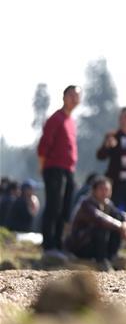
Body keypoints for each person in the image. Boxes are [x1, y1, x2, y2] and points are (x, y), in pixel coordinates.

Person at [36, 85, 81, 259]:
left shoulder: (71, 121)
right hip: (54, 168)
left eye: (77, 96)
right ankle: (49, 246)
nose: (74, 99)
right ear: (64, 97)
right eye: (71, 95)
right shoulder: (56, 119)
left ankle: (59, 244)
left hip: (68, 169)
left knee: (64, 209)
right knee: (53, 206)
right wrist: (42, 166)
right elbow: (44, 145)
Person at [96, 106, 126, 252]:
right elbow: (100, 156)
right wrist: (107, 146)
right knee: (113, 212)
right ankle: (113, 246)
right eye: (123, 118)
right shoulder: (112, 136)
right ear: (119, 120)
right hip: (116, 182)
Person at [65, 176, 126, 270]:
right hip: (80, 245)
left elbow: (123, 215)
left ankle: (112, 256)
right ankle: (101, 261)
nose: (105, 192)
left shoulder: (107, 203)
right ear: (94, 190)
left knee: (117, 220)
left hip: (94, 244)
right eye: (101, 189)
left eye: (107, 190)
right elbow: (99, 218)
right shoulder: (86, 203)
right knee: (102, 225)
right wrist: (121, 226)